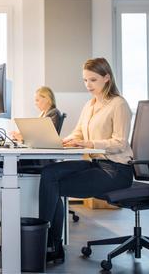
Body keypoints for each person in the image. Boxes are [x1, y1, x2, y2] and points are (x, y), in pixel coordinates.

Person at [38, 58, 134, 264]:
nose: (88, 85)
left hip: (115, 170)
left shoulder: (119, 104)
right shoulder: (90, 105)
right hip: (96, 164)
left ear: (106, 78)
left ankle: (49, 244)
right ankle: (50, 243)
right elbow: (78, 132)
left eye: (93, 79)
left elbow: (120, 142)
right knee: (49, 173)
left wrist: (87, 143)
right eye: (85, 80)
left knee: (55, 186)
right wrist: (64, 141)